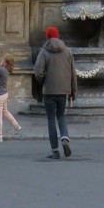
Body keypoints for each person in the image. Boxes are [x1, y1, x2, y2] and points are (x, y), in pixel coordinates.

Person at [33, 26, 77, 159]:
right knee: (61, 116)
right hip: (63, 90)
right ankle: (65, 139)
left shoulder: (44, 52)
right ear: (58, 36)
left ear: (47, 37)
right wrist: (73, 91)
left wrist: (44, 81)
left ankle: (55, 150)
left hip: (49, 91)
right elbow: (73, 73)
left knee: (51, 119)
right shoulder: (68, 51)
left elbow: (38, 72)